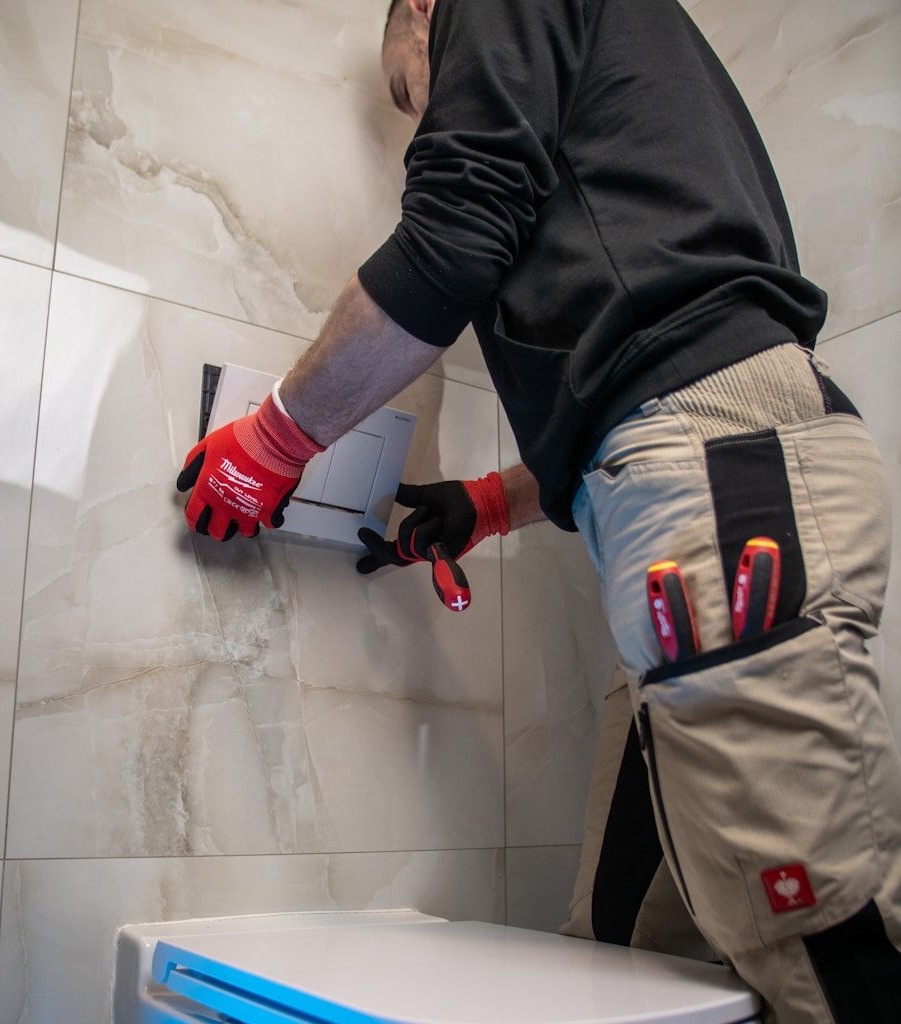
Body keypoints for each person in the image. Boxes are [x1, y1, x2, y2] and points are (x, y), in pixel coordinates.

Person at [176, 1, 901, 1019]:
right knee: (629, 957)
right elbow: (649, 337)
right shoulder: (616, 71)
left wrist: (272, 442)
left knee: (822, 945)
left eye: (403, 88)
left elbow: (450, 241)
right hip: (700, 493)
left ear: (420, 13)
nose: (418, 113)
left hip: (720, 489)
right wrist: (486, 504)